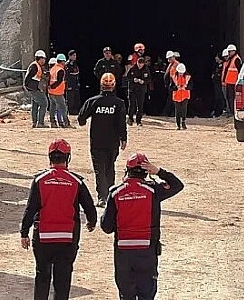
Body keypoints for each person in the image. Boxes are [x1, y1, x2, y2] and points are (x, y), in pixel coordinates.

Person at [20, 139, 97, 300]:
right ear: (67, 157)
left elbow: (30, 208)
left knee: (42, 275)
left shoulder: (39, 180)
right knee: (62, 280)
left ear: (50, 157)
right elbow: (89, 207)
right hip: (67, 238)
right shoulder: (77, 181)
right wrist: (91, 222)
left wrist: (24, 233)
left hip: (43, 238)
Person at [101, 153, 184, 300]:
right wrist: (159, 172)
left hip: (123, 253)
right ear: (146, 172)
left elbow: (106, 227)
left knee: (126, 295)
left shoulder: (115, 192)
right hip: (147, 252)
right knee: (147, 295)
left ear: (127, 170)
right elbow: (178, 185)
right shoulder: (154, 191)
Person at [78, 73, 128, 207]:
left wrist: (84, 121)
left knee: (99, 169)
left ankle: (102, 197)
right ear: (114, 85)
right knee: (110, 168)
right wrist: (124, 138)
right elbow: (121, 123)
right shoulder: (119, 103)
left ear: (101, 84)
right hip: (113, 142)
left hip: (97, 141)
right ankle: (111, 195)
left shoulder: (93, 101)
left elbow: (81, 118)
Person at [25, 50, 49, 128]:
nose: (44, 60)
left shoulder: (37, 66)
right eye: (43, 59)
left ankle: (35, 122)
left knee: (35, 105)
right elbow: (28, 78)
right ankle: (40, 123)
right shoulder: (35, 66)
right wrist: (28, 87)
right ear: (40, 58)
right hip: (33, 89)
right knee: (44, 103)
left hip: (33, 88)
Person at [49, 54, 72, 128]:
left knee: (52, 107)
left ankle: (53, 122)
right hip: (57, 92)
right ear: (62, 62)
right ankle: (66, 123)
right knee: (63, 108)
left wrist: (50, 87)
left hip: (51, 92)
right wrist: (53, 87)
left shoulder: (53, 68)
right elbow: (59, 81)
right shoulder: (60, 70)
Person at [128, 57, 150, 126]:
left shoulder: (146, 70)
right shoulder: (132, 69)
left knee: (140, 106)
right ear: (137, 63)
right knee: (132, 105)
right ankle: (130, 119)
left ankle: (138, 121)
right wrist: (133, 79)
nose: (140, 65)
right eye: (139, 64)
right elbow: (128, 77)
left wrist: (143, 81)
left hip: (141, 90)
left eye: (141, 64)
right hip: (133, 89)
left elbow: (149, 79)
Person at [221, 44, 242, 115]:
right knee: (229, 97)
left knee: (232, 98)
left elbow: (239, 71)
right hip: (229, 82)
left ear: (233, 51)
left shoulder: (236, 59)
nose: (228, 53)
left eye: (229, 52)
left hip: (233, 83)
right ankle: (231, 111)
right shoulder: (231, 59)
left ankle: (233, 112)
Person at [172, 63, 191, 130]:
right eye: (180, 73)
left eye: (182, 73)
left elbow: (191, 86)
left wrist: (186, 87)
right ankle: (178, 124)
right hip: (176, 96)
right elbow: (170, 87)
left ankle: (183, 122)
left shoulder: (188, 77)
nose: (181, 74)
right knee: (177, 111)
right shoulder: (174, 77)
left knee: (184, 110)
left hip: (185, 95)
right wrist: (176, 87)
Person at [162, 51, 179, 117]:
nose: (168, 60)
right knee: (170, 99)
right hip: (170, 85)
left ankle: (171, 113)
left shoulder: (176, 64)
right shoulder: (171, 64)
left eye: (169, 58)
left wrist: (175, 85)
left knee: (173, 100)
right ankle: (169, 113)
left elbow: (175, 76)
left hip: (174, 85)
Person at [65, 50, 81, 115]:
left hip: (75, 84)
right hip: (70, 85)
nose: (75, 57)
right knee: (70, 99)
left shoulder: (75, 64)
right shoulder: (67, 65)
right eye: (73, 55)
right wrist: (67, 85)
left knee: (76, 98)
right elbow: (66, 76)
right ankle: (70, 111)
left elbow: (77, 73)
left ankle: (76, 111)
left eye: (75, 55)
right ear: (70, 56)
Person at [211, 53, 226, 117]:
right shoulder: (217, 65)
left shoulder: (223, 65)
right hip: (217, 84)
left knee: (221, 97)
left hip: (221, 84)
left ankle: (221, 111)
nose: (215, 58)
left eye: (216, 57)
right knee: (217, 97)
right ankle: (217, 112)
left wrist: (216, 76)